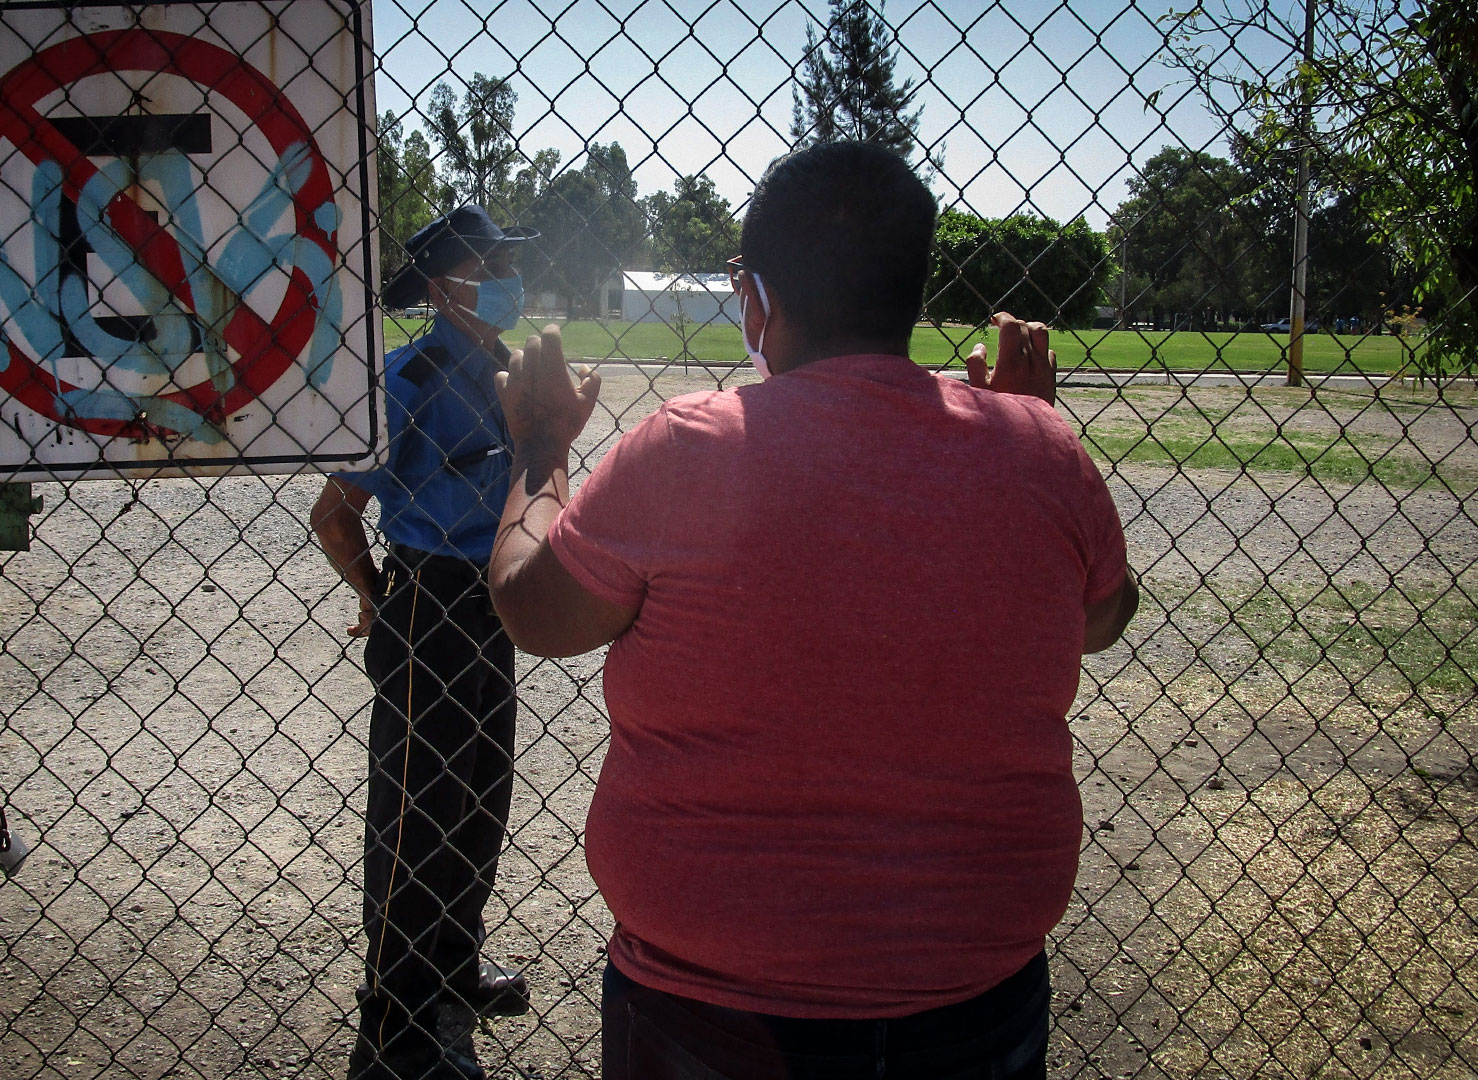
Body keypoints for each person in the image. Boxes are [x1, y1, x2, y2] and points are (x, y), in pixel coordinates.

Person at [487, 141, 1139, 1079]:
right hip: (974, 999)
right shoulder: (1042, 450)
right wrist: (1026, 434)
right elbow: (1098, 617)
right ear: (913, 288)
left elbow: (533, 611)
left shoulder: (690, 447)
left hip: (709, 1004)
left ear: (755, 298)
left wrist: (539, 443)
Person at [310, 205, 539, 1080]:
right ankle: (394, 1026)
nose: (504, 279)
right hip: (428, 607)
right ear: (442, 286)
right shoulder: (403, 380)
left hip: (491, 608)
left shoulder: (509, 373)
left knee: (480, 801)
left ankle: (452, 967)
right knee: (414, 818)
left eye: (506, 261)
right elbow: (335, 516)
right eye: (487, 264)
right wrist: (379, 598)